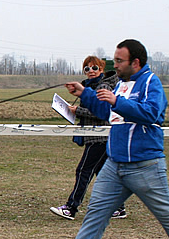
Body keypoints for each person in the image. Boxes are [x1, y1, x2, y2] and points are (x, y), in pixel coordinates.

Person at [46, 39, 169, 239]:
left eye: (120, 61)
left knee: (167, 216)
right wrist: (85, 94)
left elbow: (151, 113)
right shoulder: (122, 84)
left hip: (145, 165)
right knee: (95, 214)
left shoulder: (150, 83)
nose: (116, 64)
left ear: (136, 62)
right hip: (115, 165)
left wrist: (117, 102)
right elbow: (107, 113)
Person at [49, 56, 126, 221]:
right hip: (95, 136)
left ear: (102, 69)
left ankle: (71, 207)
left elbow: (104, 112)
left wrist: (78, 111)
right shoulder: (90, 87)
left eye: (94, 68)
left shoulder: (103, 87)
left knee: (84, 171)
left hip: (99, 136)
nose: (91, 71)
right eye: (87, 69)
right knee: (102, 173)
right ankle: (119, 207)